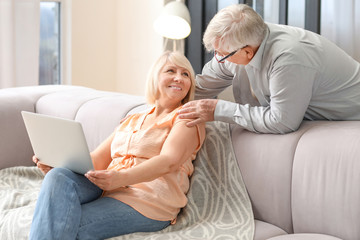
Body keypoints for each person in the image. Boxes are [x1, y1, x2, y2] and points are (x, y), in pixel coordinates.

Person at [29, 51, 205, 240]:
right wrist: (58, 163)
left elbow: (168, 161)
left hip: (150, 202)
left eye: (185, 74)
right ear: (155, 77)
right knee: (58, 176)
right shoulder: (133, 119)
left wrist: (121, 178)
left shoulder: (187, 117)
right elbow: (96, 160)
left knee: (63, 224)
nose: (179, 78)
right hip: (109, 189)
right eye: (171, 71)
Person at [178, 4, 360, 134]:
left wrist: (219, 110)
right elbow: (200, 88)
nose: (217, 60)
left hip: (352, 115)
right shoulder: (237, 45)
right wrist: (157, 103)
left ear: (248, 52)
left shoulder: (289, 59)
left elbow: (281, 122)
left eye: (221, 54)